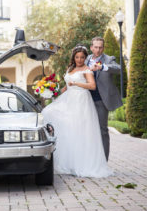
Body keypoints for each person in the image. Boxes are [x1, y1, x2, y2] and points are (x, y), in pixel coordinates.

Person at [41, 46, 113, 177]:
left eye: (82, 57)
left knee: (80, 130)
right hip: (68, 99)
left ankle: (82, 164)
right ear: (73, 58)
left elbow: (92, 86)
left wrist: (77, 84)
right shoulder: (70, 69)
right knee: (48, 112)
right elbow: (66, 86)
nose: (79, 59)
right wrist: (54, 94)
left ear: (85, 58)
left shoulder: (87, 70)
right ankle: (70, 162)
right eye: (77, 57)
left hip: (81, 100)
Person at [85, 37, 123, 161]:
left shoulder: (108, 59)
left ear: (103, 48)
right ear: (91, 47)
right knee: (88, 129)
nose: (98, 49)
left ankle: (104, 160)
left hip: (101, 100)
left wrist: (102, 67)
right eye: (95, 47)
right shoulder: (85, 60)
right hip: (86, 101)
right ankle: (91, 158)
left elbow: (119, 69)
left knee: (102, 130)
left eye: (100, 47)